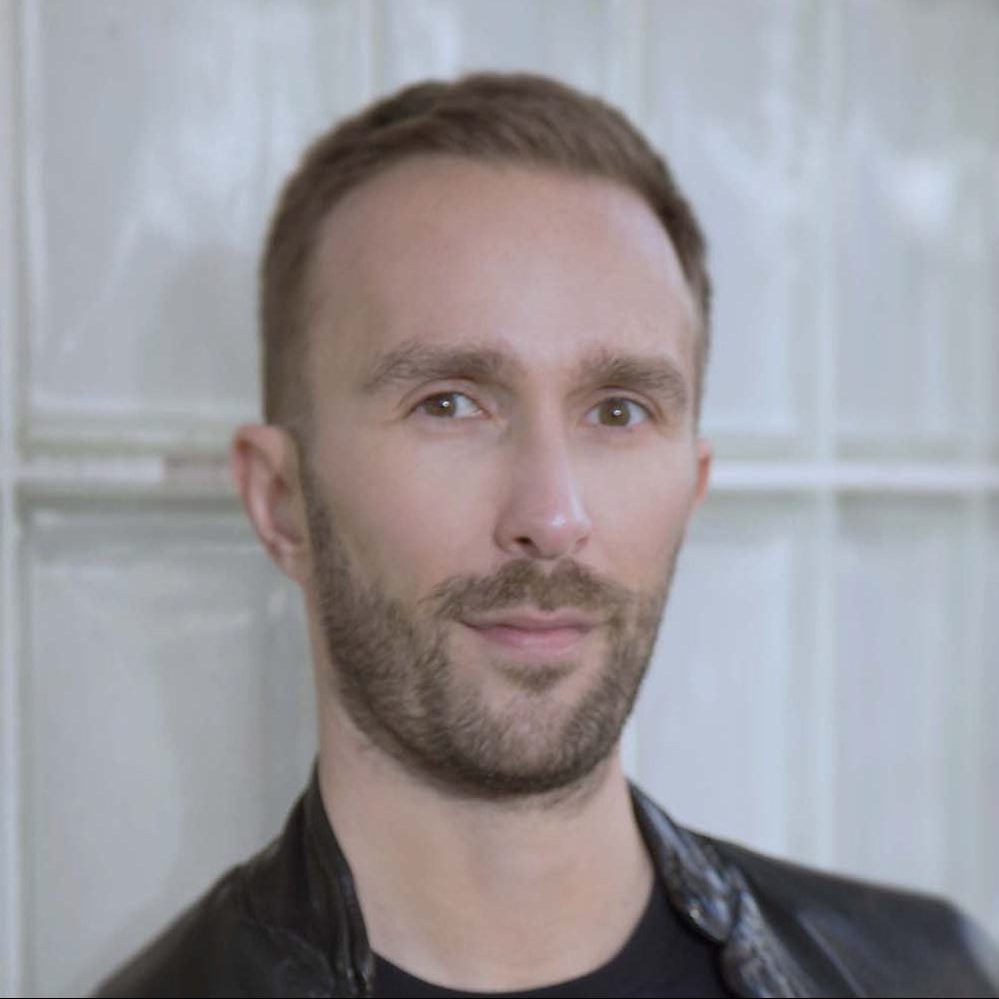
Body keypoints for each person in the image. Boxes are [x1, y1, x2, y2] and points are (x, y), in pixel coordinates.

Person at [95, 72, 999, 999]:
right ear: (280, 499)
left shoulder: (929, 977)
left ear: (690, 491)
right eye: (449, 403)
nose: (552, 517)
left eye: (617, 409)